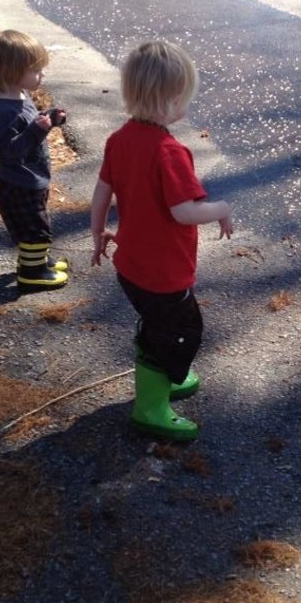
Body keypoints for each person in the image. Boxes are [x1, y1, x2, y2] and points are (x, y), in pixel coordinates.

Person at [90, 39, 233, 442]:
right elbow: (184, 212)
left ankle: (165, 376)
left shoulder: (119, 140)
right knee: (183, 331)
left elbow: (102, 192)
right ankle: (150, 407)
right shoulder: (170, 152)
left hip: (130, 266)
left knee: (158, 326)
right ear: (171, 101)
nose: (186, 106)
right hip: (162, 273)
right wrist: (220, 208)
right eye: (185, 98)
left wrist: (97, 233)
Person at [0, 29, 69, 292]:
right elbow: (7, 150)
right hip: (18, 183)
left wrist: (48, 118)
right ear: (11, 71)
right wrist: (38, 129)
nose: (41, 76)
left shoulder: (19, 95)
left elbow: (28, 125)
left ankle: (39, 260)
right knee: (34, 227)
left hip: (31, 177)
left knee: (37, 221)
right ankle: (32, 273)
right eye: (36, 71)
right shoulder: (3, 109)